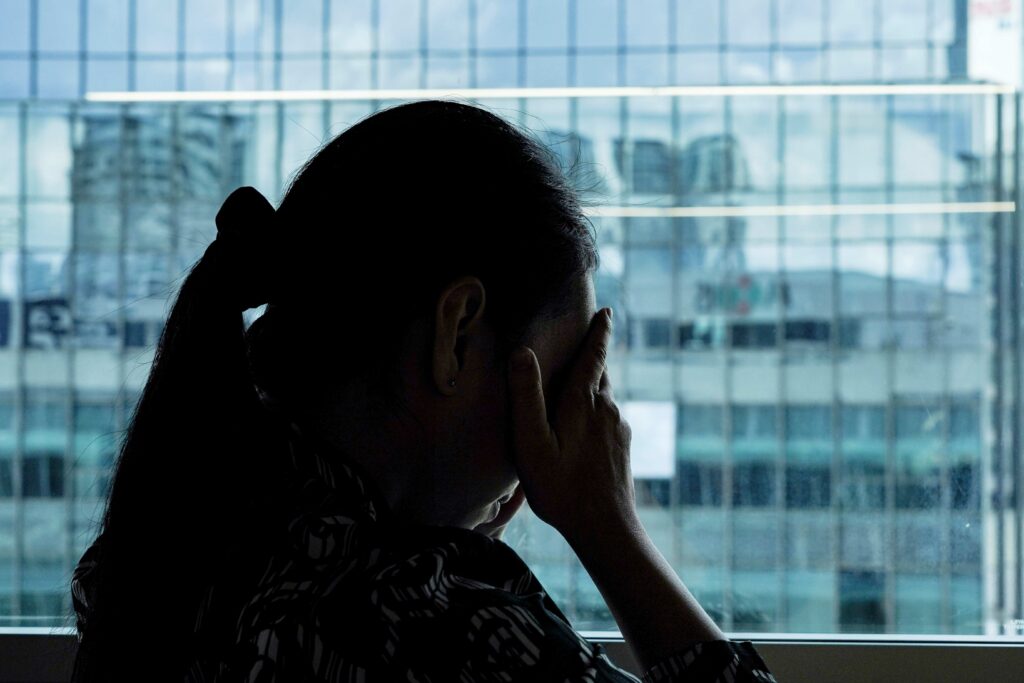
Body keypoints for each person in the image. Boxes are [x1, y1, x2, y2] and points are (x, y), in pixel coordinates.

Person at [68, 100, 775, 682]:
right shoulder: (446, 627)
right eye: (564, 390)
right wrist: (610, 526)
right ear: (456, 335)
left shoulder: (152, 566)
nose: (566, 436)